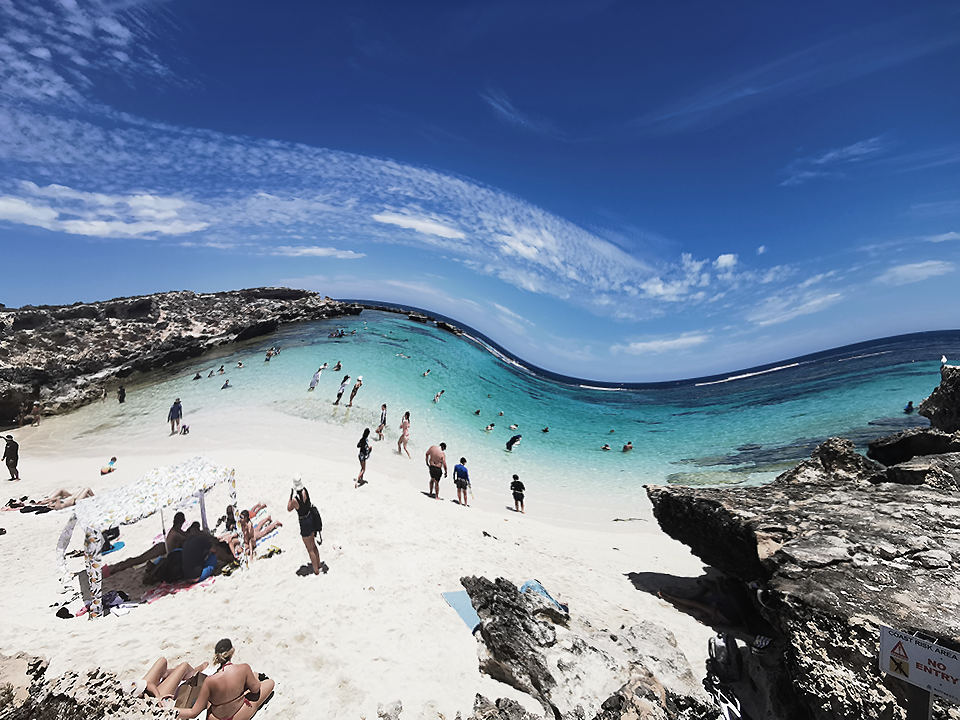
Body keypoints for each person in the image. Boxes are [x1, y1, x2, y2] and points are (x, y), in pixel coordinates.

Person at [177, 638, 274, 720]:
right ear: (232, 651)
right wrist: (255, 677)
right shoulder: (243, 668)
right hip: (238, 715)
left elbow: (193, 713)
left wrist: (170, 711)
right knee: (270, 683)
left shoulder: (209, 681)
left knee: (211, 700)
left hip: (215, 718)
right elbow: (256, 689)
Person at [128, 656, 208, 705]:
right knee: (184, 666)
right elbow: (148, 685)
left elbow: (145, 684)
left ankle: (169, 673)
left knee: (162, 661)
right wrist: (158, 696)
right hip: (152, 700)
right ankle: (193, 671)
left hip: (144, 691)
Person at [287, 475, 321, 575]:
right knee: (313, 545)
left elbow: (289, 508)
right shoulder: (305, 491)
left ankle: (316, 571)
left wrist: (290, 495)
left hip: (304, 522)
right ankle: (318, 565)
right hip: (310, 517)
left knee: (309, 549)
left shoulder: (295, 500)